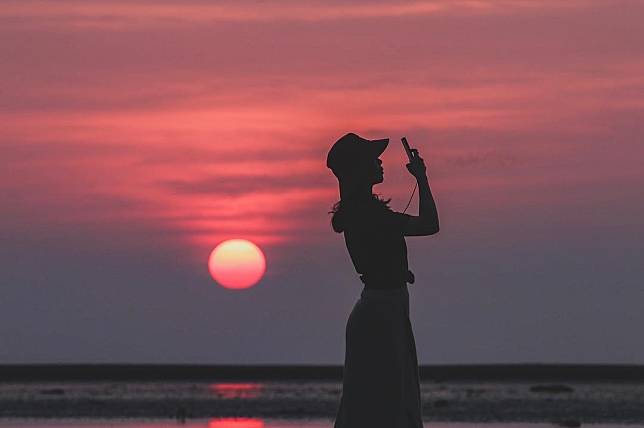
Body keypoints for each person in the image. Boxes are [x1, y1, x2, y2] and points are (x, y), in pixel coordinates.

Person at [327, 132, 439, 428]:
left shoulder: (364, 212)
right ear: (358, 170)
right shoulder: (368, 215)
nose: (379, 162)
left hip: (384, 310)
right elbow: (430, 224)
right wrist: (422, 178)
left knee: (380, 403)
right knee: (386, 405)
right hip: (380, 315)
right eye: (372, 159)